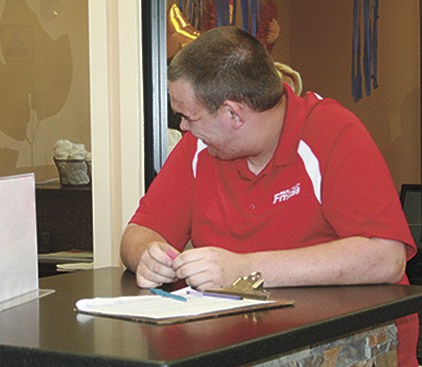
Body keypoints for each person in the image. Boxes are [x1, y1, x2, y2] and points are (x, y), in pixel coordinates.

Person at [120, 27, 417, 366]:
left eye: (190, 116)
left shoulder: (332, 132)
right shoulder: (201, 146)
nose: (184, 128)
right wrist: (147, 255)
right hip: (237, 343)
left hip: (347, 344)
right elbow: (139, 232)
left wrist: (245, 269)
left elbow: (386, 256)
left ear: (233, 114)